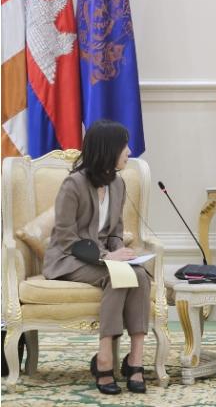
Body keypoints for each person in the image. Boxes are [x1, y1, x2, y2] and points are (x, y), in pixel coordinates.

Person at [43, 120, 150, 395]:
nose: (129, 151)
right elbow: (66, 238)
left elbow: (115, 232)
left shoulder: (118, 184)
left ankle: (135, 359)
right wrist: (109, 257)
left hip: (102, 257)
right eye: (124, 146)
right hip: (68, 257)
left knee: (140, 275)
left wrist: (121, 253)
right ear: (107, 149)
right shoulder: (73, 185)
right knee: (117, 276)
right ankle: (104, 358)